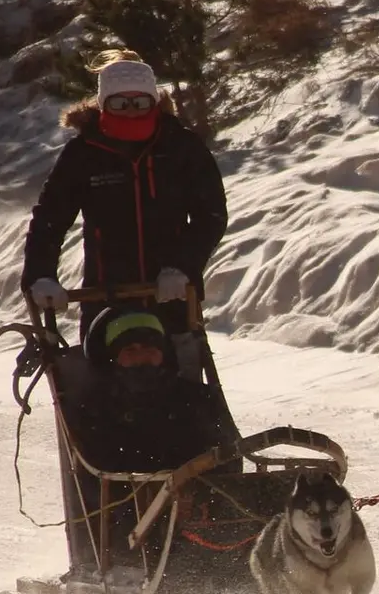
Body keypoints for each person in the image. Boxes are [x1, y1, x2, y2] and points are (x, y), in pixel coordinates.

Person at [21, 52, 228, 335]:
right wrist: (40, 275)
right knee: (105, 376)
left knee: (180, 372)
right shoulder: (84, 154)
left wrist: (182, 266)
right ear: (105, 104)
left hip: (173, 295)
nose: (131, 110)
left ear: (153, 102)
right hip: (106, 297)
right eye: (120, 103)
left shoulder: (181, 148)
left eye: (140, 102)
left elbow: (211, 215)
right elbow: (50, 219)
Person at [75, 308, 234, 473]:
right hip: (131, 493)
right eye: (130, 350)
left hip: (203, 489)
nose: (141, 357)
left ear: (164, 354)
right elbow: (101, 464)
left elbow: (227, 452)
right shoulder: (98, 407)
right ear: (113, 357)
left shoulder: (199, 397)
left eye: (150, 349)